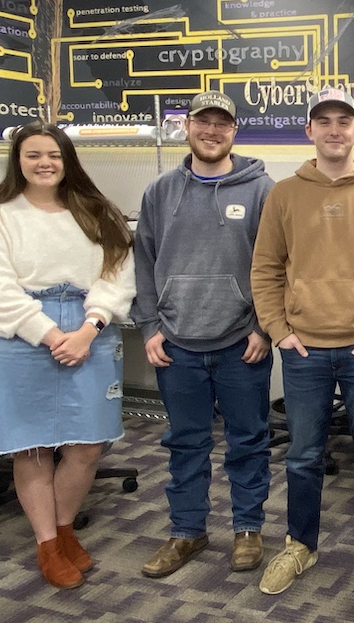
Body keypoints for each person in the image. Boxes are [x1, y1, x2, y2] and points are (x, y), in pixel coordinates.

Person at [0, 121, 135, 589]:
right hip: (20, 335)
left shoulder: (97, 212)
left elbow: (118, 275)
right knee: (32, 446)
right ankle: (48, 543)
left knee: (87, 445)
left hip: (89, 330)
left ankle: (64, 527)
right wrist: (52, 334)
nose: (44, 163)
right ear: (17, 161)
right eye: (33, 154)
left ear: (67, 160)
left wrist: (88, 329)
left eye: (53, 155)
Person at [250, 87, 354, 599]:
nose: (335, 130)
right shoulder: (284, 194)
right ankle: (301, 545)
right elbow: (265, 269)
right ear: (310, 131)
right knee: (303, 456)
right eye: (324, 121)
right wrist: (280, 331)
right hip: (304, 349)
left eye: (344, 120)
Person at [132, 90, 275, 578]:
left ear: (234, 131)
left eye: (222, 123)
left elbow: (278, 264)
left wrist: (263, 327)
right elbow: (144, 261)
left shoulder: (262, 190)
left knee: (248, 440)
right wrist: (150, 326)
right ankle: (187, 531)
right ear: (187, 126)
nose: (212, 131)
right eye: (203, 121)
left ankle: (248, 528)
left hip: (242, 343)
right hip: (177, 343)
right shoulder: (160, 192)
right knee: (185, 444)